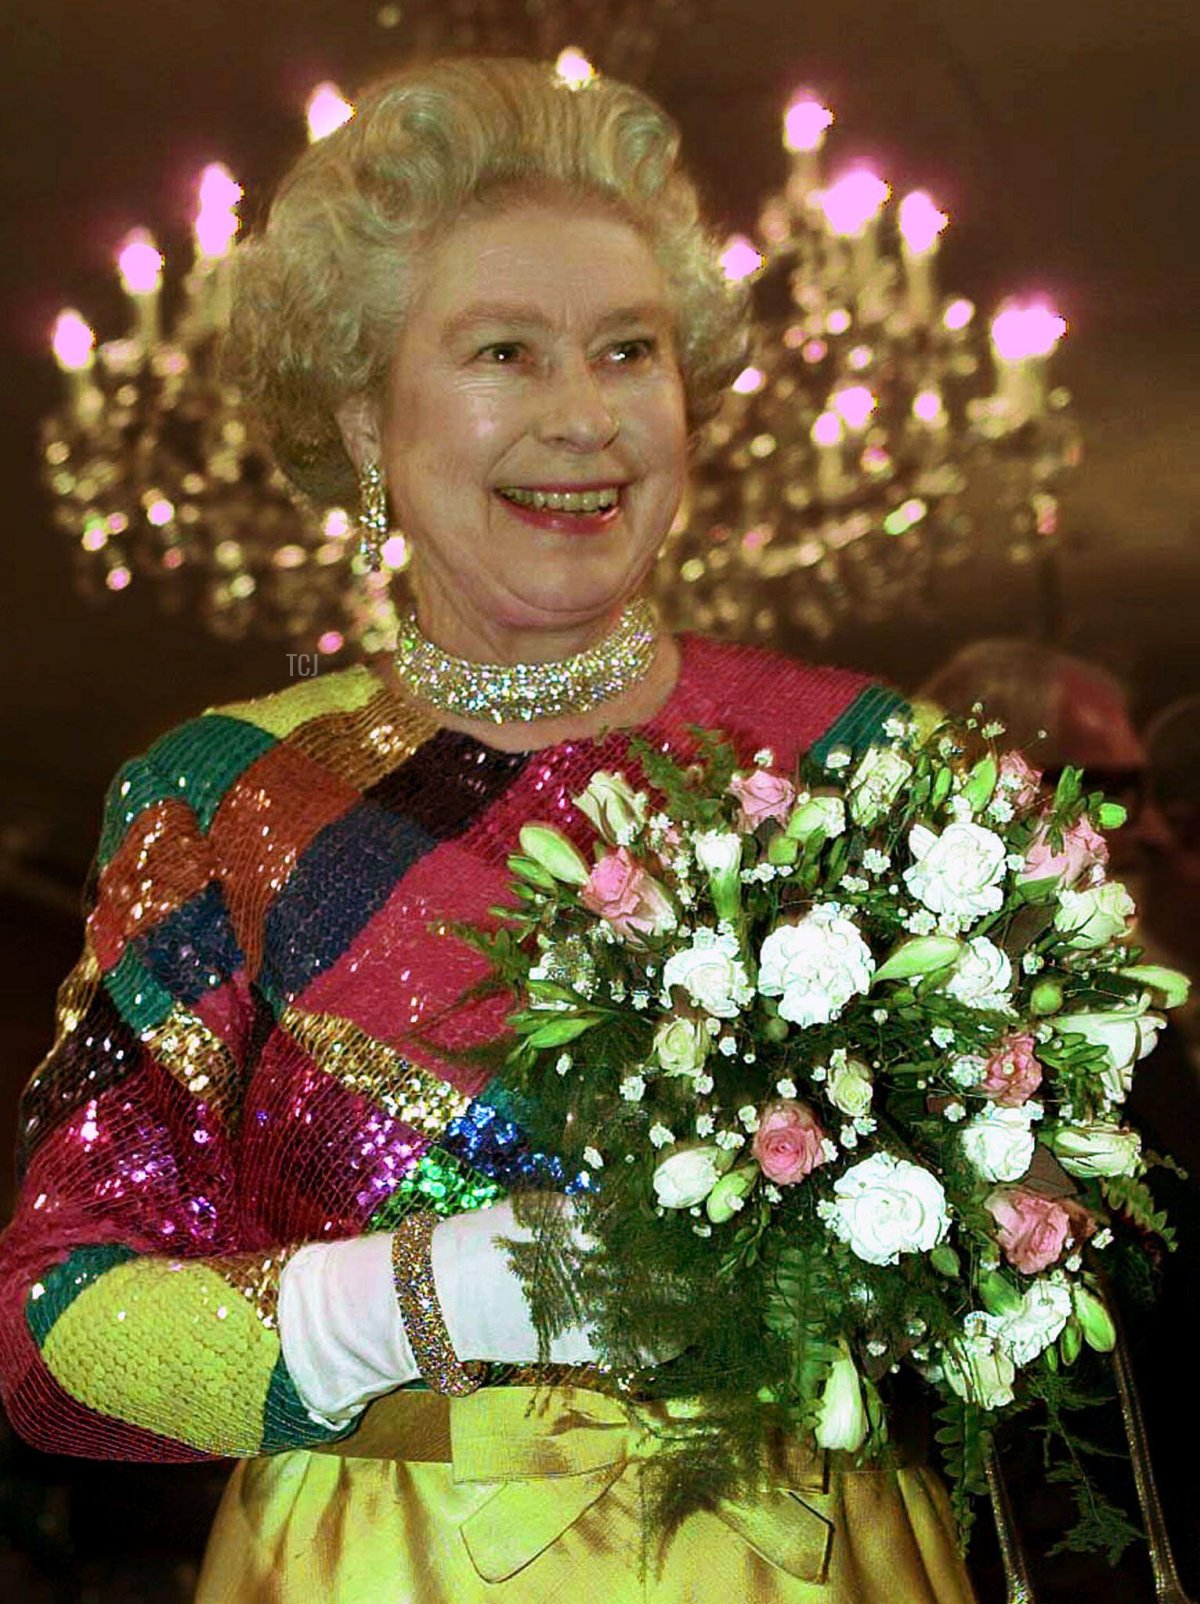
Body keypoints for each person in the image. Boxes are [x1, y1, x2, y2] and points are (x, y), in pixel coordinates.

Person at [0, 58, 977, 1602]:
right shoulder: (221, 795)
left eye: (630, 351)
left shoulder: (866, 761)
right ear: (363, 415)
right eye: (504, 352)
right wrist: (414, 1300)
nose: (584, 418)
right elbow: (57, 1336)